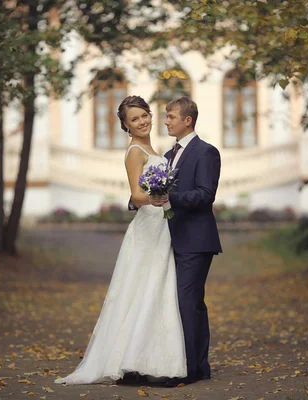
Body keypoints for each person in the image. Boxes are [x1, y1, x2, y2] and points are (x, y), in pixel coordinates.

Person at [55, 95, 187, 385]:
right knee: (142, 289)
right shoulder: (135, 152)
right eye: (134, 119)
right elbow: (136, 196)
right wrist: (160, 196)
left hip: (161, 226)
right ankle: (131, 361)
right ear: (126, 126)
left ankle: (148, 358)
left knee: (156, 290)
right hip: (148, 228)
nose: (141, 122)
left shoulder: (156, 149)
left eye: (144, 116)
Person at [162, 96, 222, 386]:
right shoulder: (166, 156)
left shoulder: (206, 152)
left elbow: (205, 194)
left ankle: (190, 368)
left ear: (188, 120)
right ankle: (197, 365)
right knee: (188, 303)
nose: (166, 121)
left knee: (188, 302)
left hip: (197, 240)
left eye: (171, 116)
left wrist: (168, 197)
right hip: (170, 240)